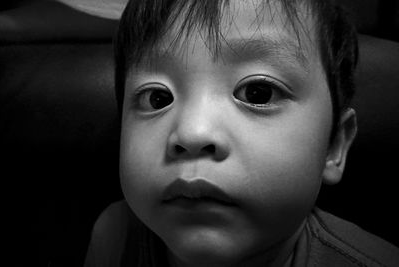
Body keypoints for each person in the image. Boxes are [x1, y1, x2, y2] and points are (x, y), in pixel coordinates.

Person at [85, 0, 399, 266]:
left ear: (334, 145)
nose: (193, 133)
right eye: (158, 98)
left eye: (258, 92)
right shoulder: (114, 237)